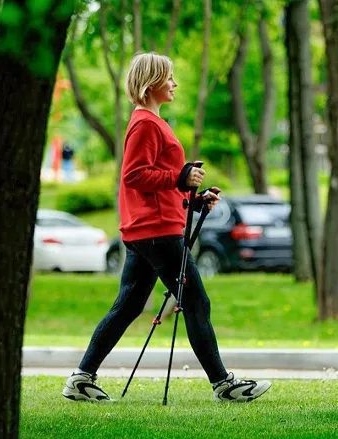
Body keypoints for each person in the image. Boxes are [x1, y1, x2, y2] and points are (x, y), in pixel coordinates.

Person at [62, 52, 272, 403]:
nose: (174, 83)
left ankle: (81, 379)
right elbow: (133, 175)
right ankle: (224, 385)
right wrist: (179, 176)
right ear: (151, 83)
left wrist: (194, 198)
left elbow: (160, 185)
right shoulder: (145, 123)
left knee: (128, 306)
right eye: (169, 77)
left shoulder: (153, 122)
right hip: (156, 231)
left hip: (148, 230)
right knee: (196, 301)